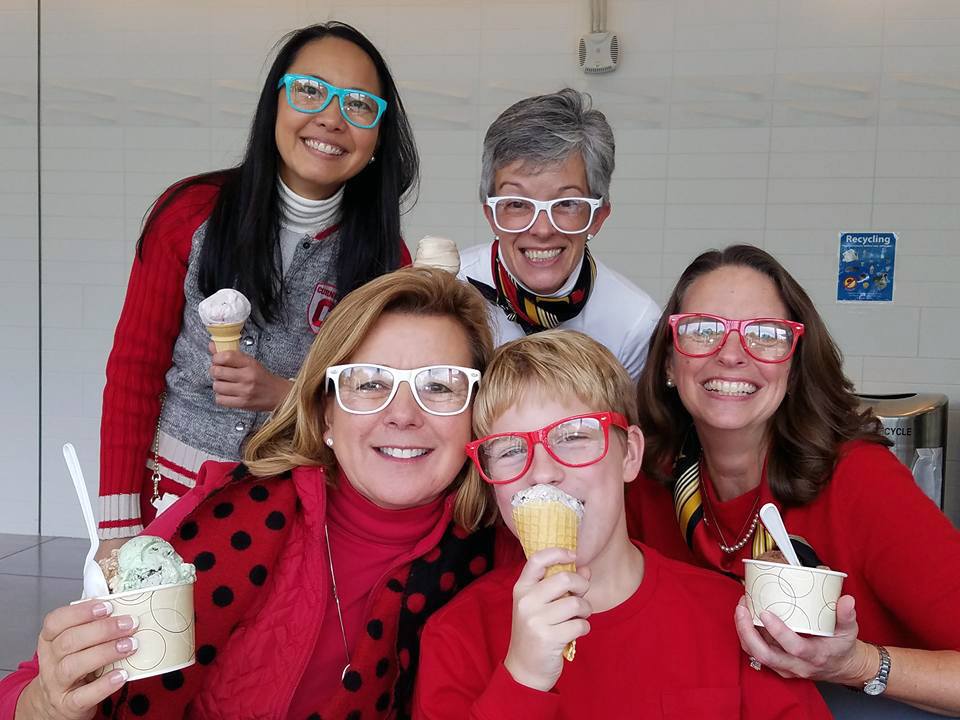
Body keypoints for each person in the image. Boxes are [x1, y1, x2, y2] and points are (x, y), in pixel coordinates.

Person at [2, 267, 497, 720]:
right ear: (326, 413)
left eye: (441, 385)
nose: (403, 413)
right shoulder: (219, 513)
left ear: (478, 412)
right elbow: (26, 694)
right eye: (368, 383)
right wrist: (49, 702)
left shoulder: (502, 566)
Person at [96, 21, 419, 551]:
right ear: (276, 104)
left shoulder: (387, 259)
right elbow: (134, 372)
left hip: (292, 511)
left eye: (360, 104)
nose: (332, 118)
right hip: (167, 499)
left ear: (379, 135)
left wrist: (284, 395)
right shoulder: (190, 215)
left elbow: (382, 405)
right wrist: (118, 528)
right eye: (310, 91)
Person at [414, 330, 831, 719]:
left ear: (629, 454)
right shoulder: (456, 637)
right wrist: (522, 679)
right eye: (507, 450)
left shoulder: (732, 617)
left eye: (574, 436)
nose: (542, 473)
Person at [627, 244, 960, 715]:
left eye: (766, 334)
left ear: (795, 364)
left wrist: (857, 665)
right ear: (667, 362)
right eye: (703, 331)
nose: (732, 355)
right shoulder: (647, 481)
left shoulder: (859, 481)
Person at [457, 88, 659, 381]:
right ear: (491, 216)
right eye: (517, 204)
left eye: (566, 203)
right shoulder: (449, 288)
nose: (541, 230)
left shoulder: (634, 323)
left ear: (597, 217)